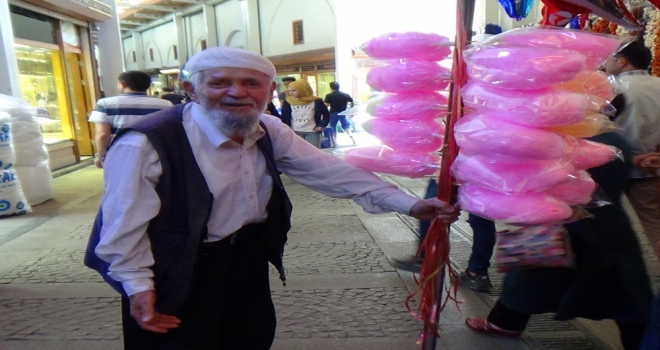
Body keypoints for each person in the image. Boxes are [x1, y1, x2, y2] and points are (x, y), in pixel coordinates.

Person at [84, 46, 460, 350]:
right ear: (191, 91)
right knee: (176, 344)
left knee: (249, 338)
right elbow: (122, 222)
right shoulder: (146, 142)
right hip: (172, 265)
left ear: (269, 92)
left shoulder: (267, 128)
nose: (237, 92)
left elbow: (325, 169)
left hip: (244, 258)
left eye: (251, 83)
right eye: (220, 83)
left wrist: (408, 204)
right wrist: (137, 286)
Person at [465, 132, 653, 350]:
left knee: (623, 285)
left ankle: (642, 340)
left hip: (587, 224)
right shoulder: (608, 139)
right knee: (534, 268)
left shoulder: (586, 142)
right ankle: (505, 320)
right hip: (586, 221)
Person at [389, 178, 496, 292]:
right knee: (482, 216)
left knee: (435, 204)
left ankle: (426, 258)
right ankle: (477, 273)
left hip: (455, 165)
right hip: (487, 169)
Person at [604, 40, 660, 257]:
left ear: (622, 61)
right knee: (654, 220)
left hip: (616, 167)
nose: (605, 62)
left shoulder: (614, 90)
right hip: (652, 165)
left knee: (608, 221)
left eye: (609, 57)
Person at [88, 71, 173, 169]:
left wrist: (100, 156)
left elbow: (103, 134)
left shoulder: (105, 104)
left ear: (123, 84)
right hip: (155, 154)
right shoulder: (166, 105)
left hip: (119, 154)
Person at [280, 79, 330, 148]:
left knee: (313, 153)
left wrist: (321, 125)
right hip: (294, 131)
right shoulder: (288, 102)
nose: (291, 93)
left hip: (312, 131)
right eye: (289, 91)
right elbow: (284, 117)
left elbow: (326, 115)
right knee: (298, 154)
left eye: (293, 90)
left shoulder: (316, 101)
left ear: (302, 90)